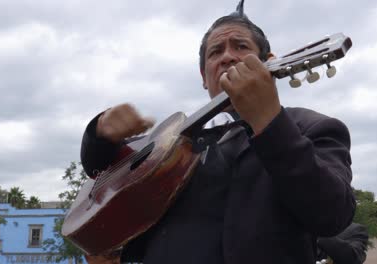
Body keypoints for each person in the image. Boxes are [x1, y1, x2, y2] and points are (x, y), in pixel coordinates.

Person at [80, 0, 356, 263]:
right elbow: (103, 169)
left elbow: (333, 214)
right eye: (216, 51)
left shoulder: (313, 127)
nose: (227, 57)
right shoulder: (170, 143)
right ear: (203, 77)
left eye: (240, 46)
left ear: (268, 62)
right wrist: (100, 133)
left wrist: (269, 123)